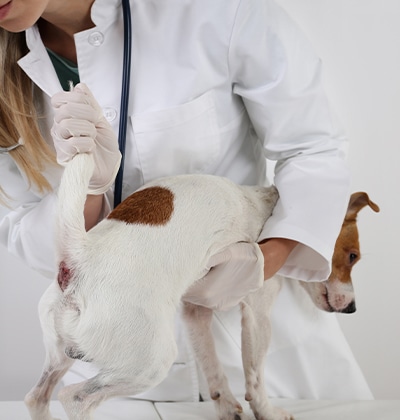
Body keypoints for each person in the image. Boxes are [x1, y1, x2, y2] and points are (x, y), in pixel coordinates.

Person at [0, 0, 373, 403]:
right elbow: (25, 228)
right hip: (116, 355)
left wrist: (266, 262)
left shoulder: (215, 11)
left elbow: (313, 147)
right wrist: (90, 190)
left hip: (262, 349)